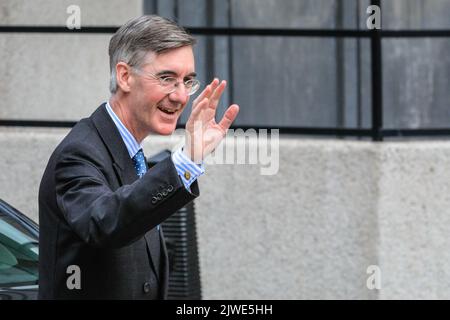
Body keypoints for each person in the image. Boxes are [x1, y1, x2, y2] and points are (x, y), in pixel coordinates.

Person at [38, 15, 239, 299]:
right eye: (167, 79)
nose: (181, 96)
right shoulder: (79, 152)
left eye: (188, 81)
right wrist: (186, 160)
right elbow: (106, 222)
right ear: (125, 76)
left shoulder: (131, 151)